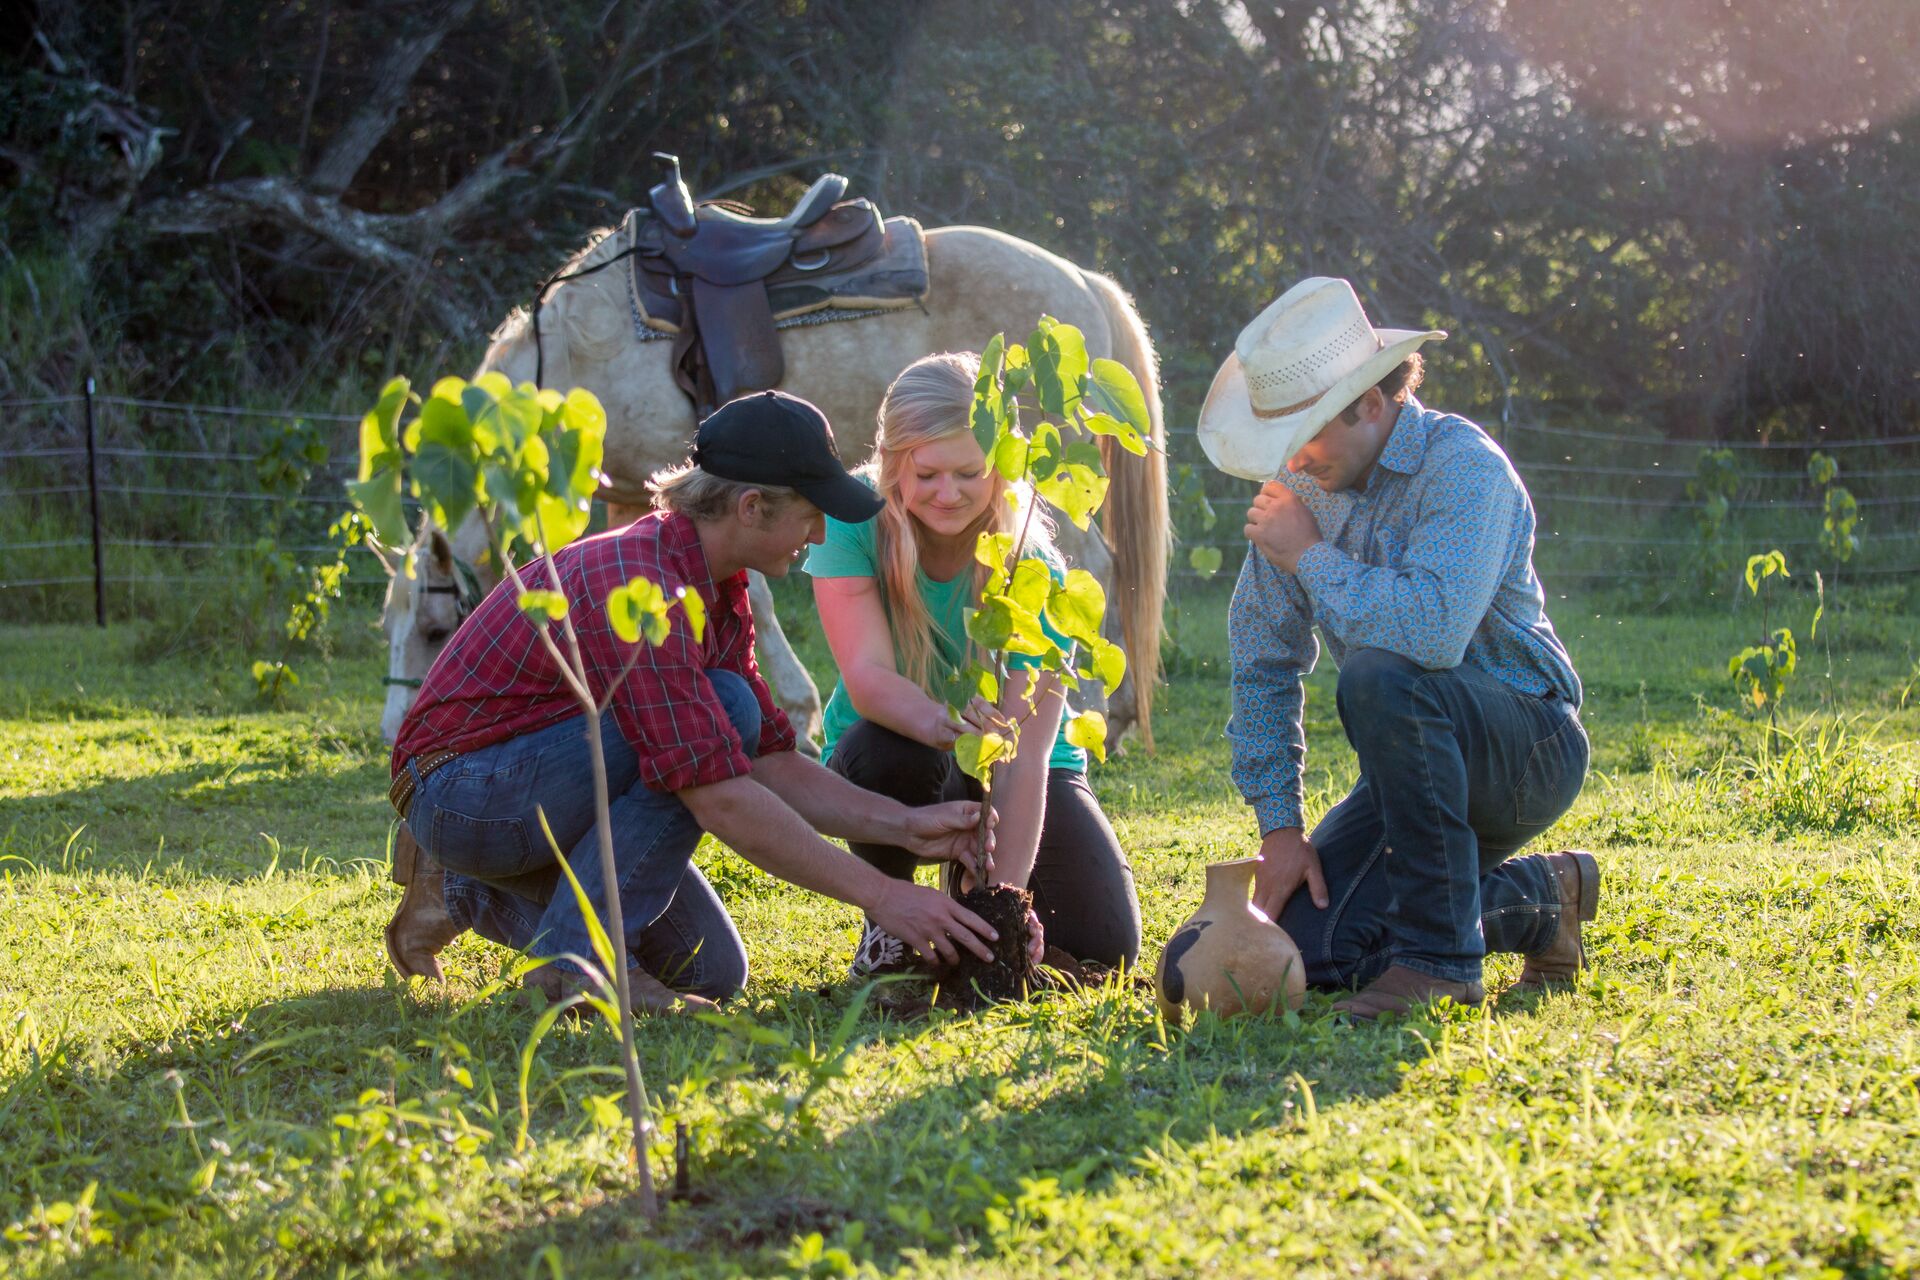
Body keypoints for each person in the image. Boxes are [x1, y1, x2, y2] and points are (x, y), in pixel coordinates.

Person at [383, 390, 1003, 1013]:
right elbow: (718, 795)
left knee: (709, 971)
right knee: (724, 706)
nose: (819, 532)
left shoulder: (719, 586)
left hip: (535, 786)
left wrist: (909, 827)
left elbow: (770, 760)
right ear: (752, 507)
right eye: (812, 513)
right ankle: (574, 966)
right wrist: (884, 896)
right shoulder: (640, 581)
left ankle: (459, 887)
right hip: (459, 789)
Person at [1197, 277, 1596, 1020]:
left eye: (1309, 433)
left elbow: (1430, 634)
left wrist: (1310, 555)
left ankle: (1443, 963)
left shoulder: (1465, 468)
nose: (1294, 459)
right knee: (1314, 953)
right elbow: (1260, 662)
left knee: (1382, 673)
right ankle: (1542, 900)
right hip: (1411, 769)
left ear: (1372, 405)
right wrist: (1280, 830)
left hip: (1525, 747)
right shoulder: (1300, 492)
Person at [805, 352, 1142, 976]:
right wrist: (954, 728)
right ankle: (892, 927)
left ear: (1003, 468)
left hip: (1013, 763)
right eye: (927, 474)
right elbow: (871, 680)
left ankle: (968, 896)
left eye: (970, 472)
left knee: (1104, 944)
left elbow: (1027, 753)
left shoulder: (1032, 567)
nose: (948, 493)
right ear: (892, 465)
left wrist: (1001, 906)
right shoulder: (851, 525)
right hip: (895, 746)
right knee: (890, 753)